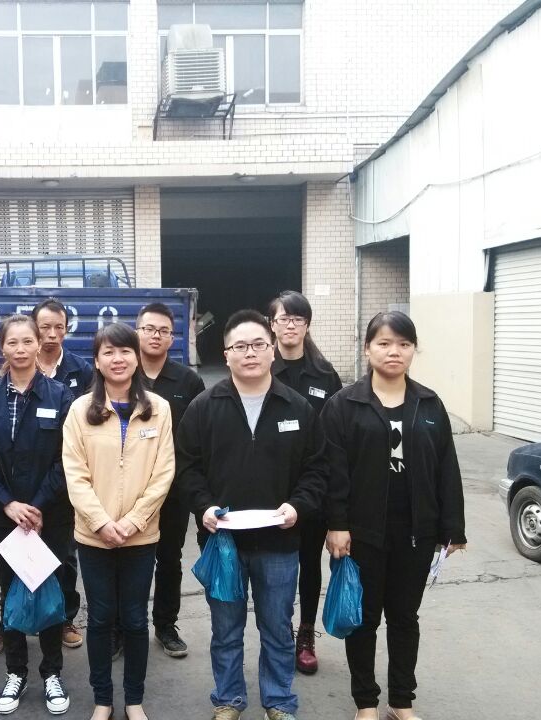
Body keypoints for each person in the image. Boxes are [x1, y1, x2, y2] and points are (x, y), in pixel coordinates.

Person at [176, 309, 329, 720]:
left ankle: (278, 702)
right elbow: (186, 467)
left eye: (258, 344)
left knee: (277, 627)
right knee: (226, 628)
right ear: (226, 354)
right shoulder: (204, 408)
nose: (250, 353)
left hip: (279, 541)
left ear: (272, 349)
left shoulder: (297, 407)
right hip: (223, 542)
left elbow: (317, 469)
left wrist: (298, 506)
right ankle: (228, 699)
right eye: (240, 346)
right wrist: (204, 507)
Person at [322, 311, 467, 720]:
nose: (394, 352)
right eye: (384, 343)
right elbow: (334, 472)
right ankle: (366, 703)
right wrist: (337, 525)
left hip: (416, 532)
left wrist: (453, 529)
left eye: (403, 344)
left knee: (405, 618)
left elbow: (446, 468)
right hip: (362, 532)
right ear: (367, 349)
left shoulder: (429, 403)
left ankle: (401, 702)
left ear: (413, 350)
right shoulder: (344, 405)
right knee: (364, 620)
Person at [63, 322, 175, 720]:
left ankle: (134, 700)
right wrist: (101, 523)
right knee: (100, 619)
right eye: (108, 352)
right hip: (93, 538)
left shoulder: (158, 408)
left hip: (140, 537)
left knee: (135, 619)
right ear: (96, 361)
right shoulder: (80, 411)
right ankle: (103, 699)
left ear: (137, 357)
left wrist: (133, 522)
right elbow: (75, 474)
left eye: (125, 350)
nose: (118, 359)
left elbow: (164, 473)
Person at [0, 314, 75, 715]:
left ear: (38, 343)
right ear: (2, 348)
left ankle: (51, 673)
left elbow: (68, 459)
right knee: (12, 591)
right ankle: (16, 671)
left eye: (27, 341)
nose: (21, 349)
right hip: (5, 517)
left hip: (50, 516)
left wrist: (38, 505)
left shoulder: (60, 397)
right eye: (12, 342)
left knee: (49, 591)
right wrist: (8, 504)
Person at [267, 290, 343, 674]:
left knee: (310, 565)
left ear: (307, 325)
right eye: (283, 318)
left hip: (314, 490)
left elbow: (338, 439)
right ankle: (279, 634)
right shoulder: (262, 369)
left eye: (298, 319)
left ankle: (306, 634)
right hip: (272, 489)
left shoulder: (325, 374)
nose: (290, 325)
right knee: (276, 568)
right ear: (272, 325)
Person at [135, 302, 205, 658]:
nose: (155, 336)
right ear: (137, 332)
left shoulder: (188, 381)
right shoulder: (122, 372)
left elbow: (198, 438)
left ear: (172, 338)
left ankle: (165, 625)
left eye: (163, 331)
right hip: (128, 489)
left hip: (173, 490)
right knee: (129, 561)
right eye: (149, 329)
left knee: (169, 558)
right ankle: (123, 627)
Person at [31, 297, 94, 650]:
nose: (52, 334)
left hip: (67, 477)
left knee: (65, 554)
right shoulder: (21, 365)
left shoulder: (80, 371)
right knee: (20, 551)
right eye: (45, 327)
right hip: (26, 476)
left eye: (59, 327)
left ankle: (66, 616)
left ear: (67, 329)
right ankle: (19, 616)